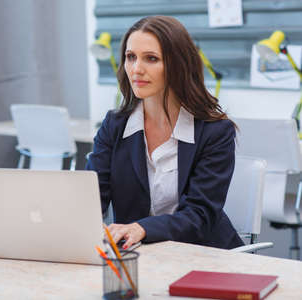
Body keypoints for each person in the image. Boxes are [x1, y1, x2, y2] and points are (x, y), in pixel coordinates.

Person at [86, 16, 244, 250]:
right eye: (131, 57)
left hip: (205, 254)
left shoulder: (215, 132)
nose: (136, 69)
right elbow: (91, 197)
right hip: (142, 256)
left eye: (151, 58)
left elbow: (200, 216)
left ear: (178, 65)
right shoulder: (114, 125)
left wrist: (142, 228)